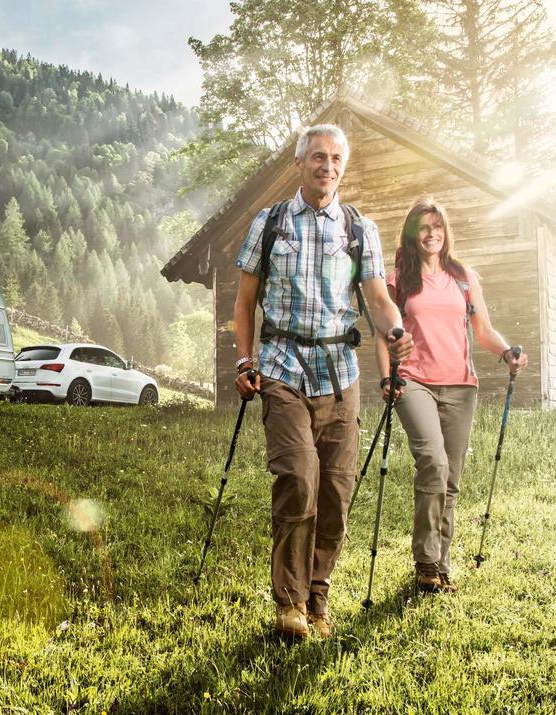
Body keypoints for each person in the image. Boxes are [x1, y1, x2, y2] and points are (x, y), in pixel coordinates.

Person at [233, 124, 412, 640]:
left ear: (343, 166)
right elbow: (245, 304)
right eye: (317, 156)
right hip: (282, 366)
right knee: (298, 477)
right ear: (298, 162)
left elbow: (378, 301)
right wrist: (246, 362)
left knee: (335, 491)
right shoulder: (269, 224)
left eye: (335, 158)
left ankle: (317, 597)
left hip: (340, 374)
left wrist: (395, 330)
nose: (326, 166)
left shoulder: (359, 230)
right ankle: (289, 602)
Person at [376, 197, 527, 593]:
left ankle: (441, 565)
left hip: (461, 384)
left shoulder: (463, 277)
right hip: (414, 382)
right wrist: (385, 378)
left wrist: (507, 350)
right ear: (413, 234)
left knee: (452, 478)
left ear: (446, 232)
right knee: (433, 462)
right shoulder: (399, 280)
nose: (432, 234)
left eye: (437, 227)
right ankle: (426, 561)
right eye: (424, 228)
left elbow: (484, 330)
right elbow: (383, 335)